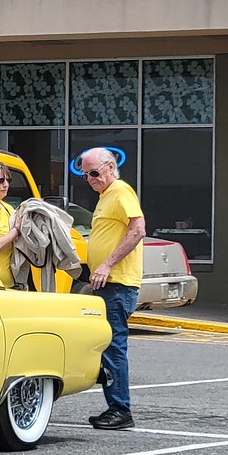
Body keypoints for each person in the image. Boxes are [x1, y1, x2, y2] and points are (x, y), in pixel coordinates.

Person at [81, 147, 146, 430]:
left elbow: (138, 229)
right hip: (107, 282)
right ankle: (115, 405)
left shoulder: (120, 191)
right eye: (85, 174)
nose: (90, 178)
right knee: (105, 343)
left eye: (94, 172)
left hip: (117, 283)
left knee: (113, 345)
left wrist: (107, 264)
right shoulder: (106, 196)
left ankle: (120, 409)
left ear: (110, 167)